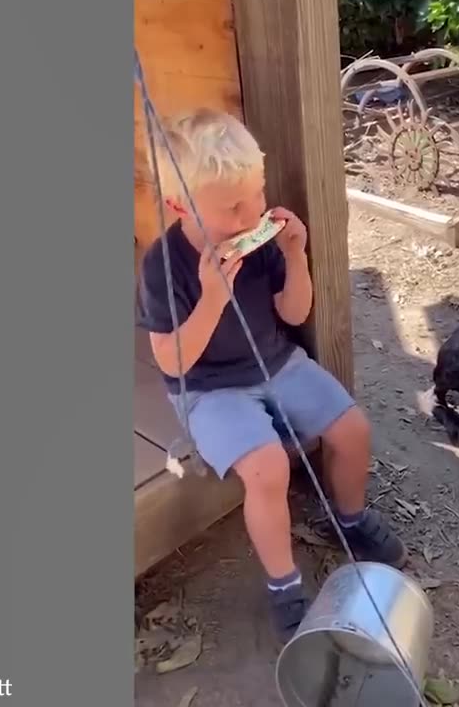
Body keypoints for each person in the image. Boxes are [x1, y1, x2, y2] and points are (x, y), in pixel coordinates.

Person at [135, 108, 407, 643]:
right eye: (232, 207)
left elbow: (293, 312)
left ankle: (348, 519)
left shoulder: (258, 240)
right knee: (266, 468)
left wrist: (295, 256)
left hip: (277, 360)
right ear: (177, 205)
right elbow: (172, 362)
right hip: (208, 388)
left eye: (256, 194)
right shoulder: (161, 266)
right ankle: (283, 585)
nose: (250, 213)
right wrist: (213, 296)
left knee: (352, 428)